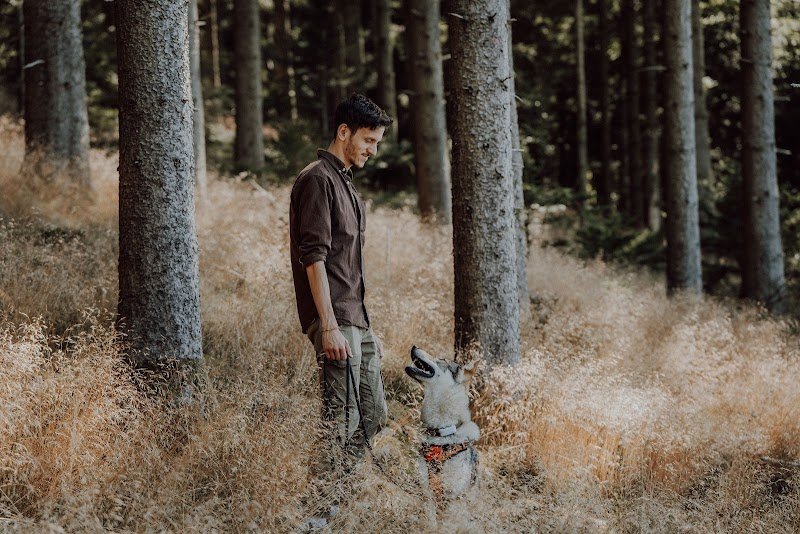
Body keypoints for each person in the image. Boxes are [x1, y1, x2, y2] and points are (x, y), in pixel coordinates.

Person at [290, 94, 392, 460]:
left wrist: (366, 328)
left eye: (376, 143)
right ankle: (319, 513)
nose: (372, 151)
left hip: (356, 320)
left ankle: (336, 497)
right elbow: (313, 258)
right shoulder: (317, 180)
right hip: (334, 319)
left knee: (375, 417)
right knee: (340, 421)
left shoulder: (346, 183)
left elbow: (348, 266)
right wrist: (329, 326)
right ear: (344, 132)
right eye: (368, 141)